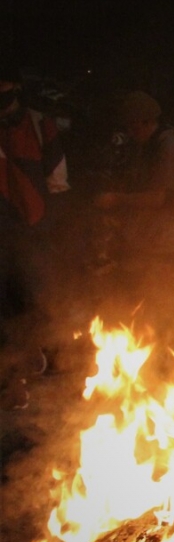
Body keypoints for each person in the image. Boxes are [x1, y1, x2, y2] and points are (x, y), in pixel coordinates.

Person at [92, 90, 174, 333]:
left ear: (146, 121)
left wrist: (116, 200)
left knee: (161, 308)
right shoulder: (146, 146)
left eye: (133, 126)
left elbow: (161, 198)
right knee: (138, 310)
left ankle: (167, 361)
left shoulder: (170, 147)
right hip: (142, 242)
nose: (129, 132)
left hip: (161, 244)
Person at [0, 67, 70, 407]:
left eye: (5, 87)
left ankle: (35, 360)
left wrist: (52, 231)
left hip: (33, 229)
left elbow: (58, 181)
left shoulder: (41, 125)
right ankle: (12, 380)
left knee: (34, 297)